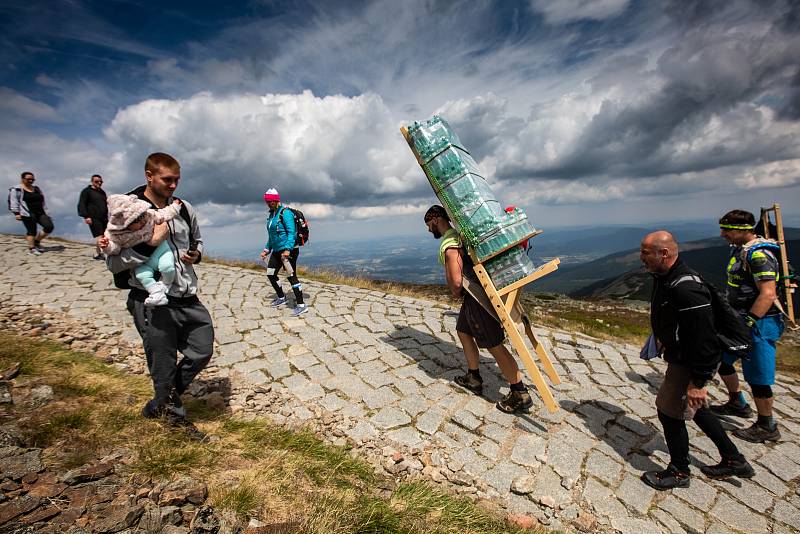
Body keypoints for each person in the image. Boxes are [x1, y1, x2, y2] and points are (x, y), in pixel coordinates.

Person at [101, 153, 214, 436]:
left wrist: (195, 254)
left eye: (177, 179)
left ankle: (161, 401)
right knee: (162, 362)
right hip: (150, 299)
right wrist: (151, 245)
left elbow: (197, 240)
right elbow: (113, 261)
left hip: (187, 295)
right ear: (149, 176)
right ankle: (173, 420)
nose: (173, 185)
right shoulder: (127, 209)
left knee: (202, 349)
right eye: (167, 179)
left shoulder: (183, 208)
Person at [639, 231, 754, 490]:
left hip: (689, 360)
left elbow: (704, 339)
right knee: (696, 408)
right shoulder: (666, 277)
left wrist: (699, 381)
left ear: (664, 254)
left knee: (669, 411)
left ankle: (679, 471)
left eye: (646, 252)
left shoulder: (686, 288)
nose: (641, 257)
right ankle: (734, 457)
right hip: (682, 353)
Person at [424, 205, 532, 413]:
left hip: (476, 297)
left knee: (493, 343)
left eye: (429, 224)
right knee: (463, 330)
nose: (429, 230)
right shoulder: (457, 235)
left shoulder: (450, 244)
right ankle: (473, 377)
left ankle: (520, 392)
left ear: (436, 219)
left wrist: (455, 292)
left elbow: (456, 283)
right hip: (476, 294)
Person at [710, 210, 785, 443]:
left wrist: (749, 321)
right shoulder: (740, 251)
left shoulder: (759, 255)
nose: (723, 235)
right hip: (739, 320)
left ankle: (767, 424)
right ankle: (737, 402)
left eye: (727, 230)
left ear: (743, 230)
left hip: (759, 323)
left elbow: (768, 293)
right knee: (722, 360)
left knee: (758, 374)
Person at [102, 194, 183, 306]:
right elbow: (115, 249)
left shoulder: (149, 215)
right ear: (124, 224)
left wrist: (175, 207)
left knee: (167, 267)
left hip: (161, 250)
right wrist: (107, 246)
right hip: (142, 262)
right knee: (142, 275)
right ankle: (156, 293)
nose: (142, 221)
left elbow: (164, 214)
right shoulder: (116, 234)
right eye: (136, 220)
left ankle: (166, 284)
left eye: (142, 216)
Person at [259, 188, 308, 317]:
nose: (268, 203)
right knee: (270, 273)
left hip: (289, 251)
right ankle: (281, 297)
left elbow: (291, 233)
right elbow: (272, 235)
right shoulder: (272, 215)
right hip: (276, 250)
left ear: (276, 200)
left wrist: (287, 249)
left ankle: (301, 305)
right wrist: (266, 249)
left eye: (270, 201)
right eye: (267, 201)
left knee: (291, 276)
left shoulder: (285, 213)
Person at [7, 171, 54, 255]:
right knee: (32, 230)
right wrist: (16, 213)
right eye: (29, 179)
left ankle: (37, 241)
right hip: (26, 213)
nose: (31, 181)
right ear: (23, 179)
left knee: (49, 226)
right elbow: (13, 201)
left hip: (40, 212)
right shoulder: (16, 189)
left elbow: (42, 201)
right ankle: (32, 248)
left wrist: (47, 212)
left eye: (33, 179)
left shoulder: (36, 189)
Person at [77, 174, 108, 260]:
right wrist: (86, 216)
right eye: (97, 181)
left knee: (105, 235)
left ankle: (98, 253)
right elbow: (81, 204)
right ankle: (101, 253)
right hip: (93, 217)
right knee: (99, 235)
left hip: (104, 217)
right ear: (92, 182)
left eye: (101, 181)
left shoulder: (102, 192)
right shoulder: (86, 191)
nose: (99, 183)